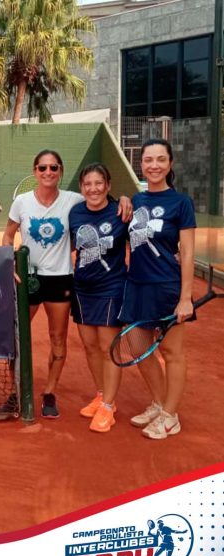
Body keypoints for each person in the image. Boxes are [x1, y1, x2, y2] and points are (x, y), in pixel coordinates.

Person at [2, 149, 131, 418]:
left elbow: (100, 199)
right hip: (28, 278)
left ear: (61, 171)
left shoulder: (74, 200)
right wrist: (10, 262)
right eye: (42, 167)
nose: (48, 172)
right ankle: (15, 391)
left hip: (60, 278)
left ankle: (50, 392)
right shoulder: (21, 202)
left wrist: (123, 198)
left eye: (53, 167)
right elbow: (8, 235)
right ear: (35, 171)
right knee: (16, 338)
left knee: (58, 339)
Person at [119, 138, 196, 439]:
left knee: (171, 352)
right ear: (141, 164)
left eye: (161, 159)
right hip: (136, 285)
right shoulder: (136, 201)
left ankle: (170, 416)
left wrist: (185, 298)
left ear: (170, 163)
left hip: (167, 287)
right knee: (139, 350)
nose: (154, 165)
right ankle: (159, 402)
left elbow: (187, 252)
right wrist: (123, 198)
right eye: (148, 160)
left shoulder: (181, 203)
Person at [69, 163, 128, 433]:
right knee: (90, 346)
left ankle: (108, 406)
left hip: (111, 287)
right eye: (88, 184)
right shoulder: (75, 213)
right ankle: (102, 395)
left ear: (108, 185)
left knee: (108, 348)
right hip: (82, 288)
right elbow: (73, 245)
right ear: (82, 188)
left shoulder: (120, 212)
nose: (93, 189)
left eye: (98, 183)